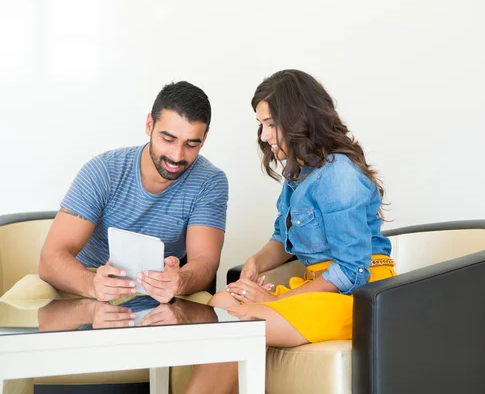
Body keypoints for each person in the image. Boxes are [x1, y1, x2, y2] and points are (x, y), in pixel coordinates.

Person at [184, 70, 395, 393]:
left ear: (298, 119)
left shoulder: (338, 174)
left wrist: (273, 300)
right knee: (222, 301)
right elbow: (284, 240)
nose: (264, 136)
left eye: (270, 124)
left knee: (235, 326)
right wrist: (254, 264)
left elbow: (353, 271)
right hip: (321, 288)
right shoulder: (298, 173)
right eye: (261, 125)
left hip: (358, 299)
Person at [39, 81, 228, 304]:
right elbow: (50, 259)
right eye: (168, 139)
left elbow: (205, 260)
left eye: (191, 144)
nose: (177, 156)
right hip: (88, 283)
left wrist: (181, 280)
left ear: (204, 138)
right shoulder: (104, 171)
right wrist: (92, 285)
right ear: (149, 124)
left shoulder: (210, 181)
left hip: (160, 293)